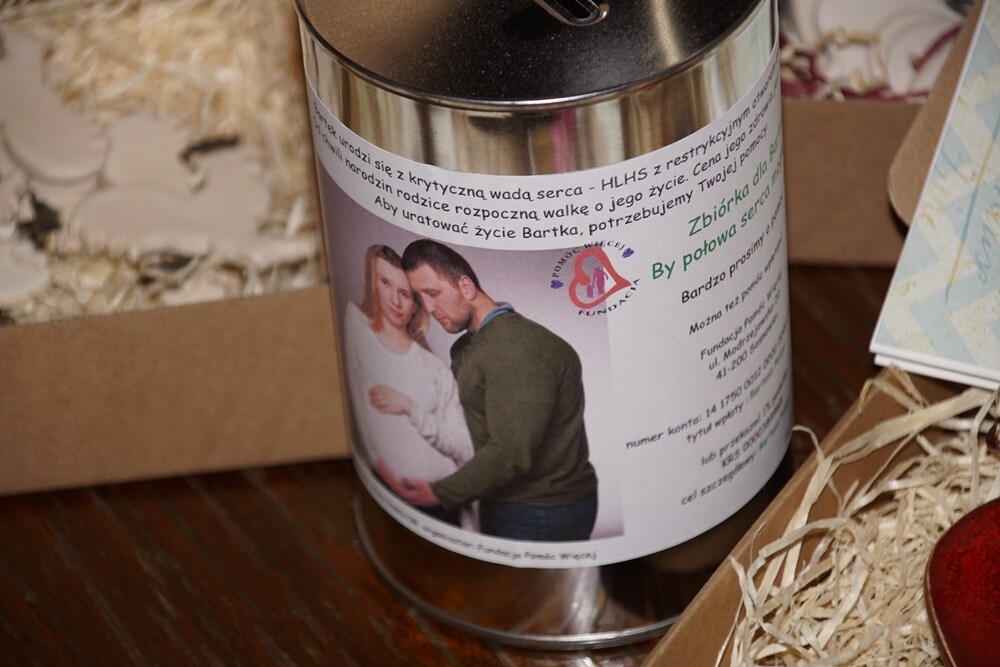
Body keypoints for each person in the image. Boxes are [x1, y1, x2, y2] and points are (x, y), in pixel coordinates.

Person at [377, 239, 599, 542]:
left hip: (541, 510)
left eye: (433, 293)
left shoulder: (517, 350)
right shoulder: (470, 347)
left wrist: (440, 492)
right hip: (507, 500)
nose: (428, 308)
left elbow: (511, 452)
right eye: (420, 297)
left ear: (466, 287)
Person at [343, 244, 476, 529]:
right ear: (371, 282)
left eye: (405, 294)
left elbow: (465, 447)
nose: (395, 300)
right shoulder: (355, 324)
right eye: (385, 283)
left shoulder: (434, 368)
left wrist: (411, 408)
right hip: (385, 491)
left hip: (441, 504)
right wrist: (380, 468)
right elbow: (359, 408)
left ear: (416, 303)